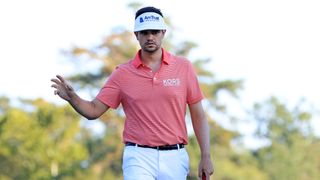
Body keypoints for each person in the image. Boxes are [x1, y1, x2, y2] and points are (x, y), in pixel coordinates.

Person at [51, 6, 214, 180]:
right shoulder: (122, 73)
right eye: (144, 32)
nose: (150, 37)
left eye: (154, 32)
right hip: (138, 156)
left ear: (163, 33)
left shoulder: (183, 67)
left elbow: (198, 116)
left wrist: (206, 155)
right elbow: (93, 110)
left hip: (175, 156)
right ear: (136, 35)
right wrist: (72, 98)